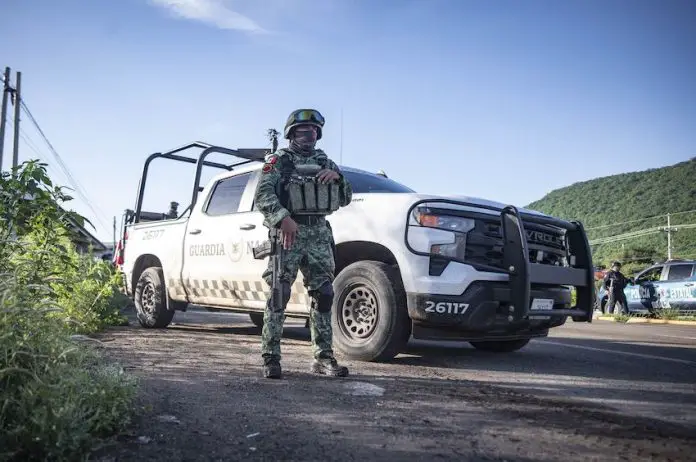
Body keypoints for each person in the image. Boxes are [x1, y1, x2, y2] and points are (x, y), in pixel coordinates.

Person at [254, 108, 353, 379]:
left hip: (319, 234)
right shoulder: (279, 161)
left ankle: (323, 359)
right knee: (279, 293)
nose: (307, 135)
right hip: (289, 233)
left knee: (324, 295)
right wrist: (282, 218)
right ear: (291, 133)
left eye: (312, 131)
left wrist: (339, 179)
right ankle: (271, 357)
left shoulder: (326, 163)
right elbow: (262, 195)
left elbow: (345, 197)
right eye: (301, 131)